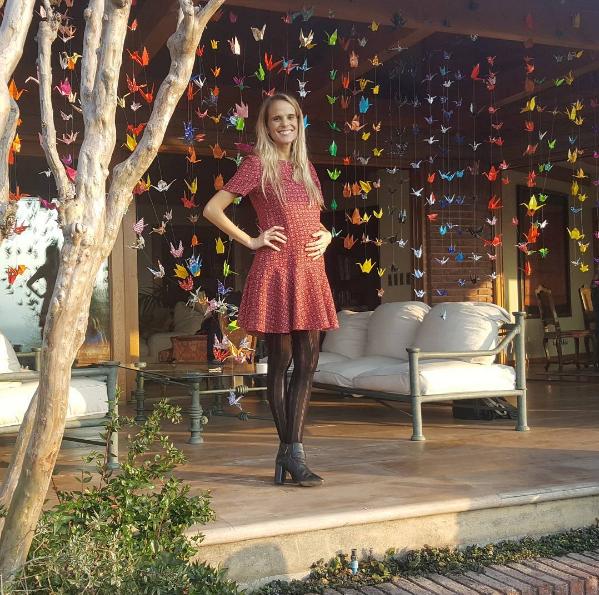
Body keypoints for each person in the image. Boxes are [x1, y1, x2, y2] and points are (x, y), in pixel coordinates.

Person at [203, 93, 338, 487]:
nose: (285, 124)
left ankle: (289, 453)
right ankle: (294, 453)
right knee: (280, 361)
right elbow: (212, 209)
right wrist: (251, 240)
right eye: (277, 118)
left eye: (291, 117)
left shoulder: (306, 167)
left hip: (310, 271)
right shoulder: (256, 164)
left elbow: (312, 219)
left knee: (308, 362)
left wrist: (328, 236)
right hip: (277, 270)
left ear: (299, 121)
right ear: (266, 125)